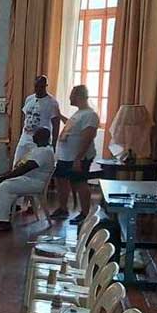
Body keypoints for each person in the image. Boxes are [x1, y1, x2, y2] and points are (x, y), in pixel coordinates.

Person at [51, 85, 100, 224]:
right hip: (65, 156)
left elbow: (87, 137)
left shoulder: (90, 115)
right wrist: (60, 116)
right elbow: (72, 127)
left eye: (72, 95)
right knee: (60, 180)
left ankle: (85, 213)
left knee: (80, 182)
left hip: (78, 157)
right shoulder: (78, 113)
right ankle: (62, 208)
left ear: (79, 96)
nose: (70, 98)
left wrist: (79, 158)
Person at [0, 128, 55, 231]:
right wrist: (1, 177)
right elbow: (19, 168)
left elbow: (25, 168)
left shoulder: (45, 151)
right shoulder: (36, 149)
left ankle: (3, 222)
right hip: (26, 180)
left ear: (44, 138)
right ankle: (0, 213)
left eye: (36, 135)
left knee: (4, 185)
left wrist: (4, 178)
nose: (33, 136)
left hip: (36, 183)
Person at [15, 75, 63, 165]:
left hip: (40, 140)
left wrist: (54, 144)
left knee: (33, 165)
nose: (38, 89)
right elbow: (25, 117)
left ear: (46, 86)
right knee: (18, 162)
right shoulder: (29, 99)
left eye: (41, 87)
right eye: (36, 86)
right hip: (25, 137)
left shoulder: (52, 103)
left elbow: (56, 124)